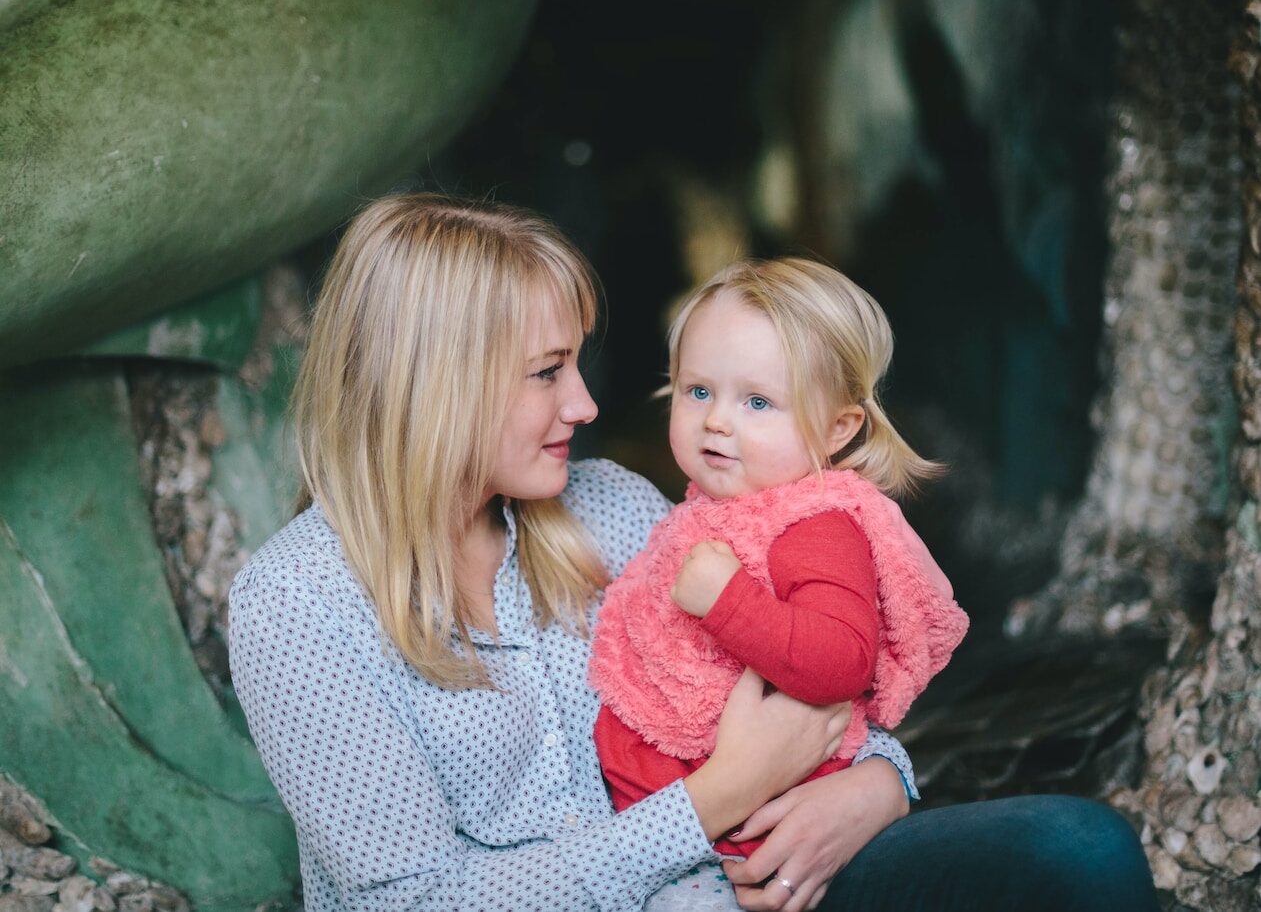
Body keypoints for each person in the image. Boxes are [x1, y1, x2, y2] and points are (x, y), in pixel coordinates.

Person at [229, 193, 1160, 912]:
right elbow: (415, 902)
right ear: (435, 386)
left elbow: (797, 676)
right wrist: (713, 801)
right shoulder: (296, 603)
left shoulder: (620, 510)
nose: (587, 407)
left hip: (737, 881)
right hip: (669, 874)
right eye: (548, 373)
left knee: (1078, 851)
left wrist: (877, 788)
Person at [588, 258, 968, 879]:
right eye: (698, 390)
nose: (716, 420)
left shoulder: (814, 525)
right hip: (679, 820)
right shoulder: (714, 509)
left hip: (758, 829)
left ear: (838, 428)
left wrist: (727, 602)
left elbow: (843, 661)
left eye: (758, 401)